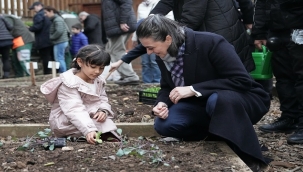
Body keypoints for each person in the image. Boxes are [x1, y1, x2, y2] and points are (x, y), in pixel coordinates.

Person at [137, 15, 270, 171]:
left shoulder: (211, 42)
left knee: (218, 100)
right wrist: (161, 103)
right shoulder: (164, 54)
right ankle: (220, 133)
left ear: (168, 39)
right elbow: (167, 87)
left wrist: (193, 89)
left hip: (239, 99)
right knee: (165, 125)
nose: (148, 52)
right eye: (146, 47)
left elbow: (241, 80)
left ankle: (245, 152)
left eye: (151, 47)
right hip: (201, 104)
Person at [110, 0, 256, 78]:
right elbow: (165, 4)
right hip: (212, 30)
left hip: (219, 33)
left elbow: (190, 20)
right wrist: (151, 20)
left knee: (226, 81)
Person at [40, 44, 120, 144]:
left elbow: (103, 98)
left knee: (104, 122)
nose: (97, 71)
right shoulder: (69, 83)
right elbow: (74, 109)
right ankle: (82, 136)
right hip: (65, 121)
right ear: (80, 62)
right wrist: (89, 129)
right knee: (101, 126)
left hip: (88, 116)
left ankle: (94, 134)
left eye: (101, 68)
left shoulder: (98, 81)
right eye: (93, 67)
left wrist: (103, 110)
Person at [252, 0, 303, 144]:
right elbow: (262, 4)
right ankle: (290, 117)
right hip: (277, 30)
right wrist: (259, 31)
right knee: (283, 77)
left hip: (299, 25)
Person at [132, 0, 174, 83]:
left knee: (154, 62)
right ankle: (146, 82)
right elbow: (139, 22)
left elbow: (170, 21)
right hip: (144, 39)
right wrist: (134, 37)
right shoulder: (141, 6)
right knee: (145, 62)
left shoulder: (160, 4)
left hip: (156, 39)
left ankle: (157, 81)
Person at [101, 0, 140, 85]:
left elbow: (127, 2)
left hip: (120, 27)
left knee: (116, 51)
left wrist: (123, 21)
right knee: (112, 51)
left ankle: (130, 76)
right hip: (116, 27)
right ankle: (126, 75)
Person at [28, 1, 53, 75]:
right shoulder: (48, 15)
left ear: (39, 6)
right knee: (51, 56)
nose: (34, 10)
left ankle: (47, 72)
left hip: (42, 40)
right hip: (50, 39)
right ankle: (55, 71)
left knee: (45, 57)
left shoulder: (38, 15)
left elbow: (38, 27)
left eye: (34, 8)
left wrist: (30, 28)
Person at [44, 6, 69, 73]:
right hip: (60, 41)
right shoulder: (57, 19)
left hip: (60, 41)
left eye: (46, 13)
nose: (45, 15)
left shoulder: (57, 19)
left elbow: (59, 31)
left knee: (59, 58)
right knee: (60, 58)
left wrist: (51, 37)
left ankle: (63, 73)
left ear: (51, 11)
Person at [0, 15, 13, 79]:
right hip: (7, 40)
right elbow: (10, 27)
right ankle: (6, 74)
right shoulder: (2, 17)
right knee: (6, 58)